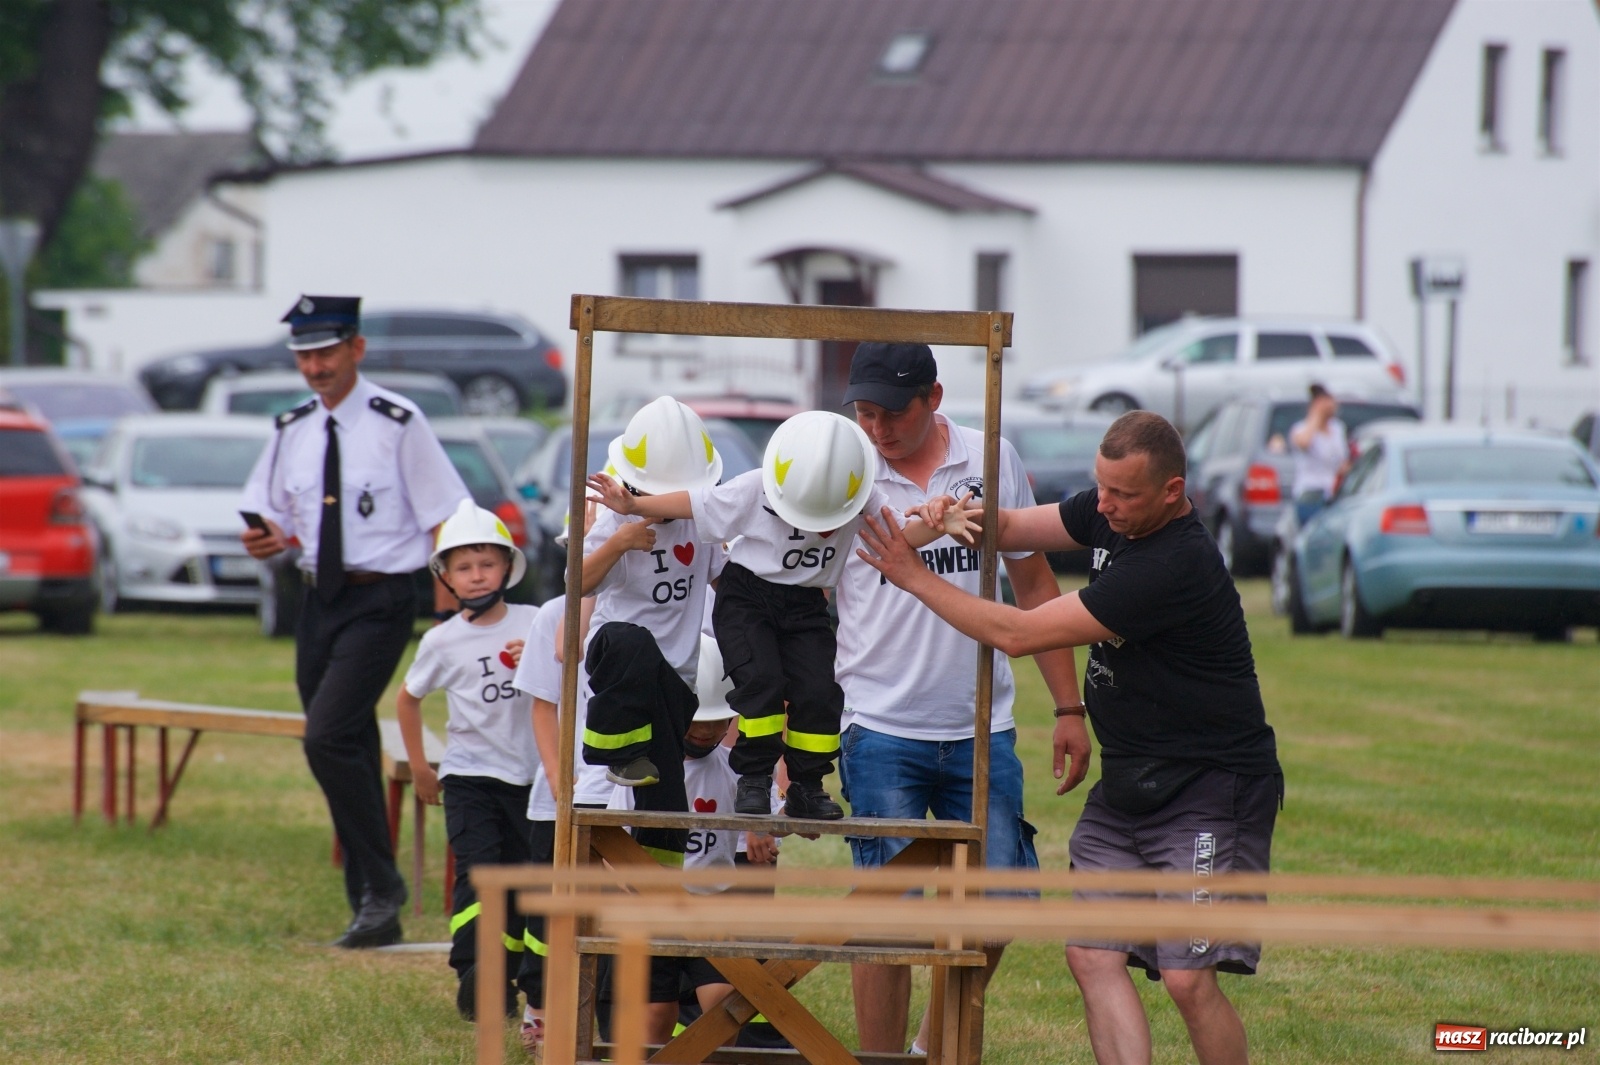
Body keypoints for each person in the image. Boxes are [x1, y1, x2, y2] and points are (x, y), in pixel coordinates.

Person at [857, 411, 1282, 1065]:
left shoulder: (1173, 562)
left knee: (1188, 976)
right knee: (1090, 952)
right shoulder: (1113, 511)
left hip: (1210, 786)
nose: (1104, 506)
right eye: (1100, 487)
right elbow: (1012, 528)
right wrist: (951, 511)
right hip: (1129, 781)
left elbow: (1017, 632)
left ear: (1172, 492)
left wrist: (914, 575)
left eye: (1123, 495)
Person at [832, 341, 1088, 1054]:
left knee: (1005, 902)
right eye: (864, 412)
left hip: (981, 724)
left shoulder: (989, 456)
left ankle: (928, 1045)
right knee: (890, 916)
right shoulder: (845, 466)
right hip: (880, 725)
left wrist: (1069, 707)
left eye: (892, 414)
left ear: (934, 399)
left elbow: (1034, 585)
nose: (876, 429)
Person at [585, 409, 978, 822]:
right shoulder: (755, 486)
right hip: (748, 598)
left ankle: (807, 788)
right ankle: (754, 778)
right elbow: (695, 502)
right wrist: (634, 504)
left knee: (819, 693)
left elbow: (898, 534)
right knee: (762, 682)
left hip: (806, 604)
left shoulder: (861, 492)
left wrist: (940, 526)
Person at [240, 294, 468, 948]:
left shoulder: (398, 421)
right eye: (304, 356)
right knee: (349, 745)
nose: (314, 367)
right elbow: (270, 509)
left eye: (325, 353)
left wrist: (451, 608)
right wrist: (267, 537)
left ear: (356, 348)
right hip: (317, 597)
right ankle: (374, 900)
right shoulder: (292, 427)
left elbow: (444, 513)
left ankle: (381, 885)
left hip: (382, 597)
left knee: (327, 735)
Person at [396, 499, 538, 1020]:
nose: (477, 576)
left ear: (507, 567)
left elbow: (574, 680)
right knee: (479, 873)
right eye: (463, 567)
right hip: (469, 777)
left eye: (486, 564)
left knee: (524, 878)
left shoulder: (537, 621)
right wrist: (420, 766)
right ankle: (475, 969)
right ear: (446, 577)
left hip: (532, 779)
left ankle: (511, 971)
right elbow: (407, 699)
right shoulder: (441, 641)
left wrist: (545, 655)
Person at [605, 636, 780, 1046]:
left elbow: (764, 828)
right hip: (651, 913)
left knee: (724, 1003)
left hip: (713, 913)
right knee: (655, 1013)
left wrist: (762, 831)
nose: (708, 732)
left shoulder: (735, 771)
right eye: (699, 722)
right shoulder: (643, 774)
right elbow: (613, 845)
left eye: (719, 722)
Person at [577, 397, 728, 868]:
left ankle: (656, 898)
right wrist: (620, 542)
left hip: (674, 682)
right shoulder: (616, 522)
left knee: (666, 802)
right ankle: (614, 752)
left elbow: (728, 582)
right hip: (617, 662)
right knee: (633, 639)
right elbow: (575, 582)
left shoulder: (701, 525)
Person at [1286, 384, 1348, 524]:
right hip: (1310, 492)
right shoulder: (1300, 429)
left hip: (1332, 493)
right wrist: (1316, 415)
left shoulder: (1338, 429)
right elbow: (1304, 443)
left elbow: (1341, 461)